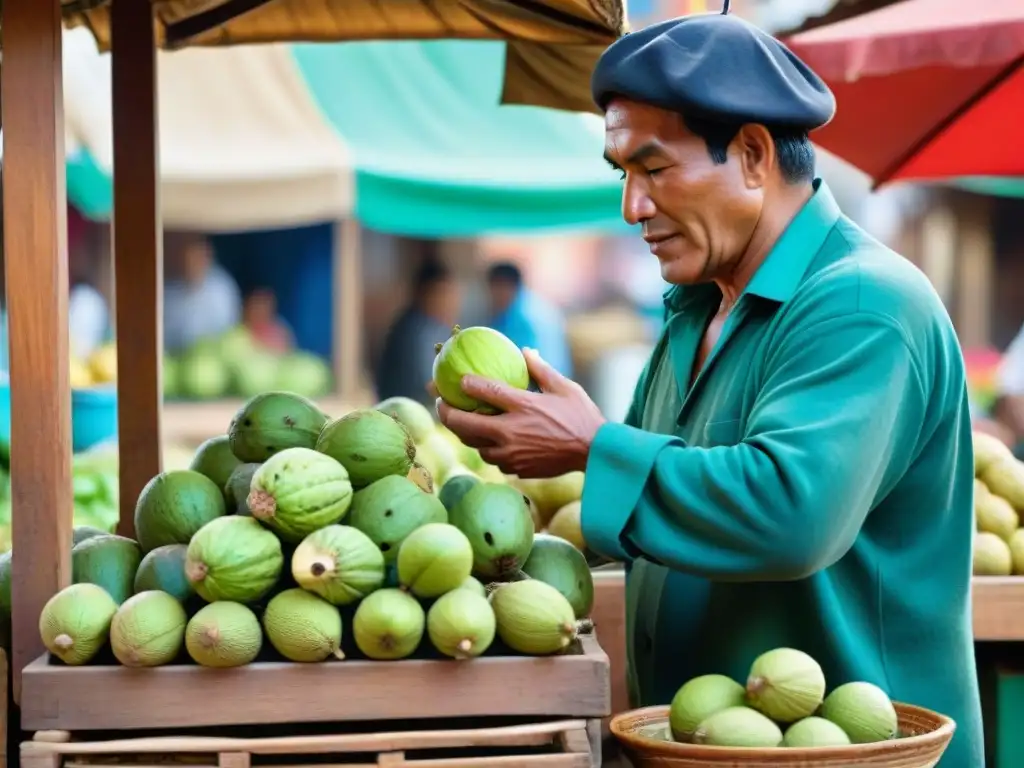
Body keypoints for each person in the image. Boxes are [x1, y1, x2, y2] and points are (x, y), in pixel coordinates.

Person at [436, 10, 981, 767]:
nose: (633, 208)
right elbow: (664, 497)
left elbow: (792, 512)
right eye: (623, 175)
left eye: (655, 170)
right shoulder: (698, 309)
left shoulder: (864, 304)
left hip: (855, 753)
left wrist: (590, 444)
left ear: (754, 155)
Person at [376, 259, 461, 408]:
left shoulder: (435, 325)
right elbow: (430, 384)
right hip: (407, 411)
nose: (449, 302)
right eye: (442, 294)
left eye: (451, 294)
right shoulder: (416, 331)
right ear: (422, 294)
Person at [486, 262, 574, 378]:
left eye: (493, 289)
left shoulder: (520, 318)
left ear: (503, 286)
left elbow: (511, 361)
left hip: (541, 384)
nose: (492, 296)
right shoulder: (535, 304)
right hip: (559, 379)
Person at [163, 233, 243, 353]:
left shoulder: (222, 287)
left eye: (198, 256)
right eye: (188, 257)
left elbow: (231, 333)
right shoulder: (168, 292)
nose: (192, 263)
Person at [244, 288, 294, 354]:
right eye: (257, 304)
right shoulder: (237, 337)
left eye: (264, 304)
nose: (260, 310)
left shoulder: (281, 332)